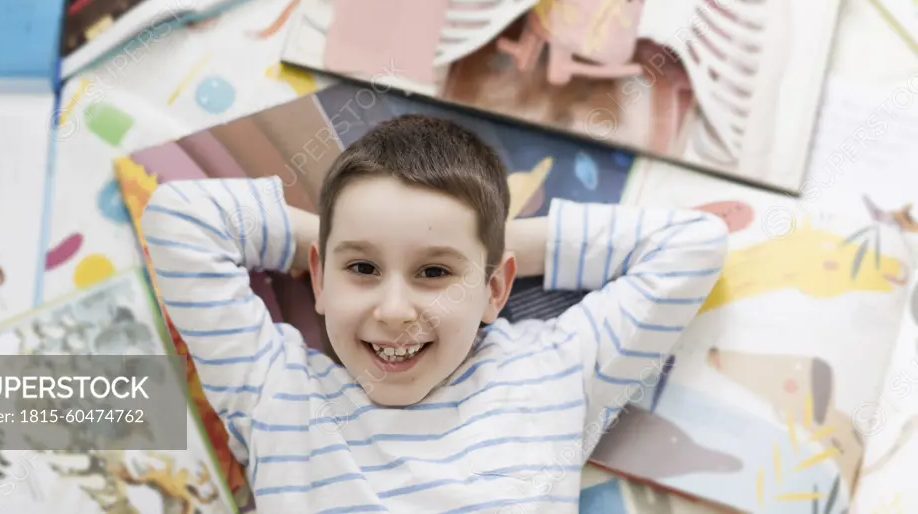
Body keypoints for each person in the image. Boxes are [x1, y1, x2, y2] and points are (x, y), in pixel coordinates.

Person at [140, 115, 729, 513]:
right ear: (318, 278)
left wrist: (488, 245)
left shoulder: (552, 374)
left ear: (496, 290)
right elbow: (178, 218)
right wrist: (339, 237)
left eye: (434, 272)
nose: (395, 312)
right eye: (362, 270)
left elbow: (692, 246)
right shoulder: (274, 390)